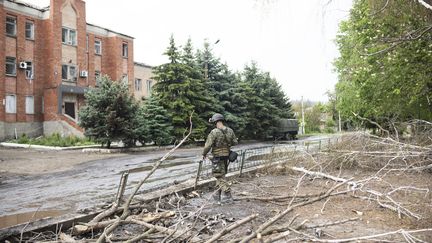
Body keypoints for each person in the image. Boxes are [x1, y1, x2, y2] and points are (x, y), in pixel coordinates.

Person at [202, 113, 238, 203]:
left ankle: (227, 195)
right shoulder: (230, 130)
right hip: (226, 156)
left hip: (217, 157)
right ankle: (217, 195)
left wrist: (204, 154)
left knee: (219, 176)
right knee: (222, 175)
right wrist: (227, 144)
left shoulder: (214, 132)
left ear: (215, 121)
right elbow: (235, 142)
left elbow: (208, 146)